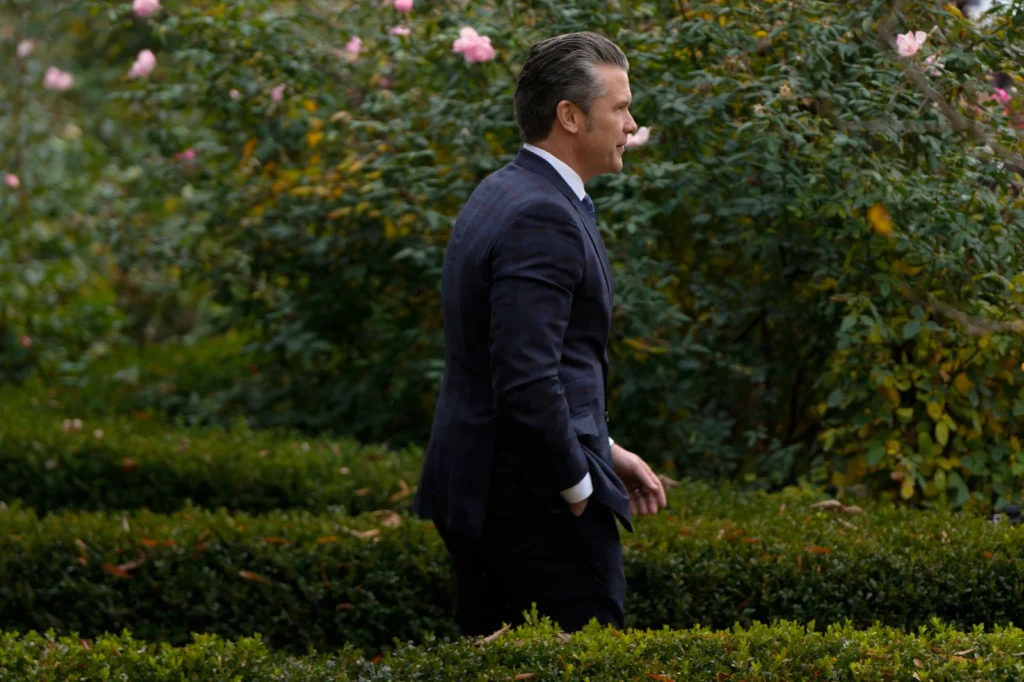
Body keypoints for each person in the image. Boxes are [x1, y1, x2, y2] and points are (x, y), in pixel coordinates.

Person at [412, 31, 667, 638]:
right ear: (570, 116)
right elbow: (526, 378)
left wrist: (603, 450)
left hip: (491, 488)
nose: (632, 124)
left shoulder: (506, 190)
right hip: (530, 507)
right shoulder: (541, 214)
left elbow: (529, 361)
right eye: (621, 107)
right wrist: (577, 485)